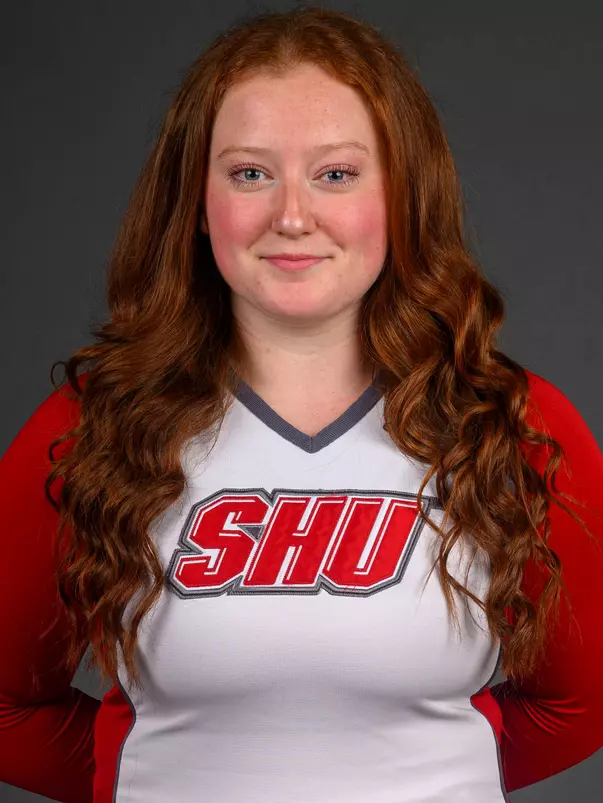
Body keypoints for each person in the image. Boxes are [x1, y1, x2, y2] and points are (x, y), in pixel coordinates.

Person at [1, 6, 602, 803]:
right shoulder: (93, 426)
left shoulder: (509, 425)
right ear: (195, 198)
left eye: (336, 174)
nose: (290, 216)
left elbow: (580, 702)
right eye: (250, 173)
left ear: (402, 192)